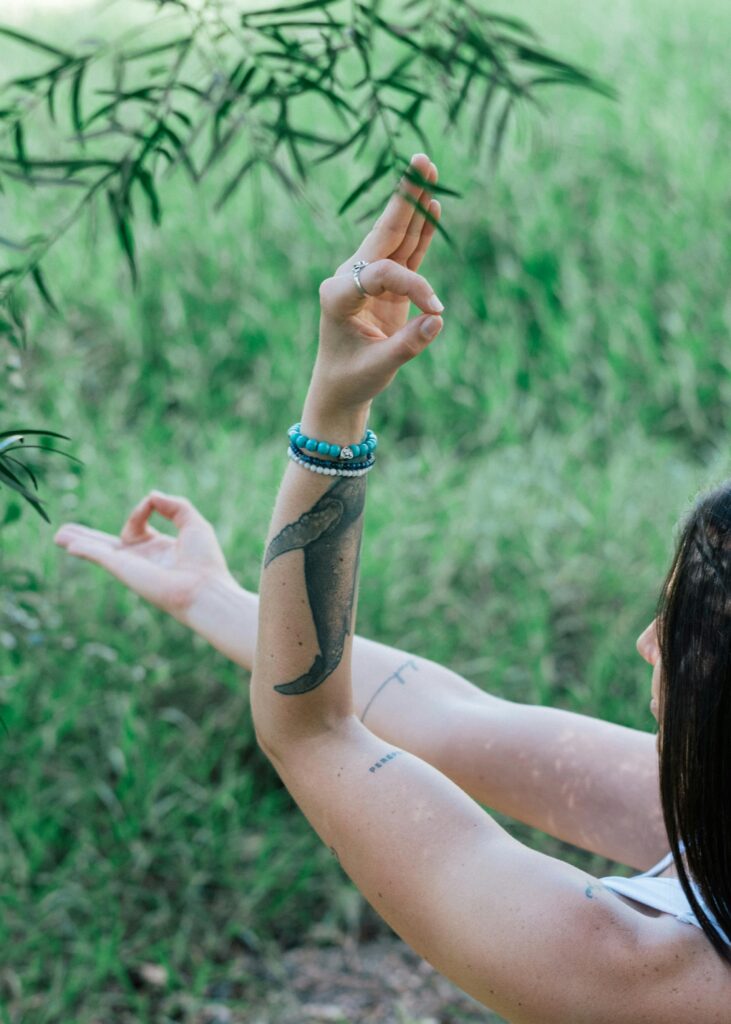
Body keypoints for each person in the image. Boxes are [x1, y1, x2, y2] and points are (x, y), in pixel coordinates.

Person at [55, 153, 731, 1022]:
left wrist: (333, 415)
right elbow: (451, 718)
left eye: (676, 628)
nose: (645, 641)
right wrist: (214, 600)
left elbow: (313, 733)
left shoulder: (638, 975)